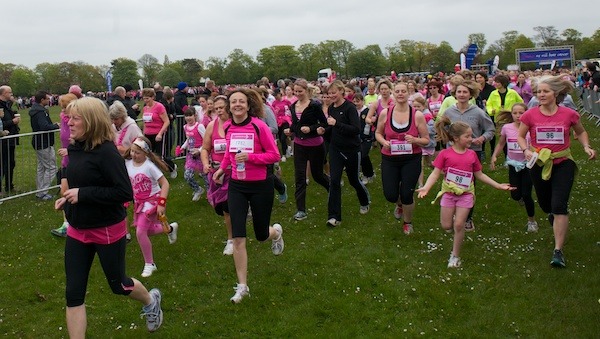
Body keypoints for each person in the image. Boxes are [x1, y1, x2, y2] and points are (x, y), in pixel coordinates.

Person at [54, 97, 163, 337]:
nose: (68, 122)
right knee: (73, 293)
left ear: (91, 121)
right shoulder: (76, 147)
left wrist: (83, 194)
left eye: (74, 118)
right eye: (68, 117)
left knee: (119, 285)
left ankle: (150, 300)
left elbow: (124, 192)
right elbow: (79, 180)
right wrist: (68, 197)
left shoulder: (107, 153)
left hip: (106, 228)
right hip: (77, 227)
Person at [212, 88, 284, 304]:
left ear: (248, 104)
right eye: (233, 102)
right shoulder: (228, 127)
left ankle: (276, 233)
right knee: (238, 237)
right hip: (237, 186)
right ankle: (242, 286)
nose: (237, 105)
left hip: (261, 185)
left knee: (261, 234)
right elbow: (228, 154)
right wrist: (222, 169)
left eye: (241, 102)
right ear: (229, 106)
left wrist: (251, 157)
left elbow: (274, 155)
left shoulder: (258, 126)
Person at [517, 75, 596, 268]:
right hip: (539, 163)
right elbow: (520, 135)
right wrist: (526, 150)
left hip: (563, 163)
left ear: (556, 93)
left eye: (545, 91)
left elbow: (581, 131)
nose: (541, 95)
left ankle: (558, 251)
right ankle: (553, 214)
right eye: (538, 92)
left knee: (559, 205)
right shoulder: (530, 115)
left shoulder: (569, 114)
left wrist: (586, 146)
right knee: (546, 206)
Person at [417, 118, 513, 268]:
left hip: (466, 194)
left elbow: (480, 175)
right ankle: (453, 223)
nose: (471, 139)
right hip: (449, 194)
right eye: (467, 136)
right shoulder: (444, 154)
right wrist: (426, 187)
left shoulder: (472, 155)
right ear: (456, 138)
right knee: (446, 225)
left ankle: (455, 256)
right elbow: (436, 173)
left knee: (459, 225)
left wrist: (498, 185)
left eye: (471, 135)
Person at [375, 82, 430, 234]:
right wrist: (383, 142)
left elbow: (426, 139)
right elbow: (378, 133)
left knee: (407, 193)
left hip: (411, 158)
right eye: (397, 91)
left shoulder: (417, 115)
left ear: (408, 94)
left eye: (403, 91)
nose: (400, 94)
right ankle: (398, 204)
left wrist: (415, 140)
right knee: (391, 194)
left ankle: (407, 222)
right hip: (390, 159)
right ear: (393, 93)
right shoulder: (385, 113)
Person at [441, 80, 496, 232]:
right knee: (451, 183)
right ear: (454, 94)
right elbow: (442, 129)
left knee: (468, 185)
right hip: (451, 154)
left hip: (472, 152)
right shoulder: (449, 112)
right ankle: (451, 213)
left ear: (471, 94)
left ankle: (467, 217)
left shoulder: (478, 112)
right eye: (459, 92)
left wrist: (482, 138)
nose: (462, 95)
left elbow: (490, 130)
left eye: (465, 92)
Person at [124, 136, 178, 277]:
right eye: (132, 151)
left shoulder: (150, 166)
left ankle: (150, 264)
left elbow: (165, 184)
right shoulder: (128, 163)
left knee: (140, 232)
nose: (134, 155)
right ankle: (170, 228)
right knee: (146, 232)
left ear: (146, 153)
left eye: (138, 153)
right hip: (139, 203)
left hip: (152, 202)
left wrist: (161, 203)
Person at [325, 80, 371, 227]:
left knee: (353, 180)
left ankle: (364, 201)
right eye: (329, 93)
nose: (331, 95)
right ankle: (334, 217)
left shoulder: (350, 108)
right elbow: (332, 128)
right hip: (335, 149)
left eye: (334, 92)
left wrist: (336, 124)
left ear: (341, 92)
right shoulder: (331, 108)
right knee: (334, 181)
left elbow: (356, 129)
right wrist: (323, 131)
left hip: (351, 149)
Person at [284, 79, 330, 221]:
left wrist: (311, 129)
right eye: (295, 91)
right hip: (299, 145)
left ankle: (332, 188)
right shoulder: (293, 106)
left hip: (315, 145)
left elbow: (323, 123)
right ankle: (301, 210)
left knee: (317, 175)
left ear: (306, 90)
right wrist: (290, 130)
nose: (297, 94)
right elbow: (296, 125)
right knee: (300, 177)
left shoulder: (314, 105)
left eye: (300, 91)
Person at [490, 103, 538, 232]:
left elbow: (536, 145)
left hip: (528, 165)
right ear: (511, 114)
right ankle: (519, 197)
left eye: (521, 113)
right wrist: (494, 156)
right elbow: (501, 143)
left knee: (527, 194)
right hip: (513, 164)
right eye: (515, 113)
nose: (518, 116)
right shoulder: (507, 128)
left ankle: (531, 221)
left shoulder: (531, 128)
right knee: (515, 195)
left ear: (526, 113)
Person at [201, 95, 234, 255]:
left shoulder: (236, 124)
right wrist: (206, 163)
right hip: (217, 174)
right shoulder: (212, 126)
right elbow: (205, 148)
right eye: (217, 108)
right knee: (222, 208)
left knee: (229, 208)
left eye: (222, 107)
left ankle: (231, 239)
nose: (219, 110)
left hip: (235, 172)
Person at [51, 93, 79, 237]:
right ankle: (66, 224)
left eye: (65, 107)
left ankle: (76, 223)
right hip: (66, 162)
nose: (62, 110)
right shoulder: (64, 119)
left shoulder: (81, 120)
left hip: (78, 161)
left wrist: (70, 150)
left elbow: (83, 142)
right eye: (61, 107)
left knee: (75, 193)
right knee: (64, 192)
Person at [29, 91, 59, 200]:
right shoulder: (40, 112)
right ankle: (43, 191)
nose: (48, 100)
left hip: (40, 141)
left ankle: (40, 190)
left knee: (41, 167)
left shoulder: (36, 110)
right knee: (52, 167)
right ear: (42, 100)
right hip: (43, 143)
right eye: (47, 99)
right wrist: (55, 126)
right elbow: (44, 126)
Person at [141, 88, 177, 177]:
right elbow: (145, 122)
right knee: (149, 155)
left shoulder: (159, 107)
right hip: (148, 135)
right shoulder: (145, 108)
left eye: (147, 98)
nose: (145, 101)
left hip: (158, 134)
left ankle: (171, 168)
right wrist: (143, 134)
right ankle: (154, 174)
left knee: (161, 156)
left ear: (153, 97)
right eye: (144, 98)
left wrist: (160, 133)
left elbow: (166, 121)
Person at [177, 107, 207, 201]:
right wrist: (182, 147)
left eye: (190, 115)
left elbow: (207, 141)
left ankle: (211, 194)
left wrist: (199, 150)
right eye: (186, 116)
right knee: (187, 175)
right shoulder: (185, 127)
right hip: (191, 155)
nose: (188, 118)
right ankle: (198, 189)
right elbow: (188, 139)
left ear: (195, 115)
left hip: (201, 155)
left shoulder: (200, 126)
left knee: (206, 177)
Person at [0, 86, 21, 195]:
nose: (11, 94)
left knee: (11, 163)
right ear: (3, 93)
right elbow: (1, 124)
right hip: (3, 139)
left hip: (11, 138)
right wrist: (12, 122)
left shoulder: (7, 105)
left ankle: (9, 185)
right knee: (3, 164)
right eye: (10, 92)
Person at [353, 93, 375, 184]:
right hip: (356, 137)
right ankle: (370, 173)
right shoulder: (353, 111)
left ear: (362, 101)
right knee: (361, 157)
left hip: (366, 137)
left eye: (358, 101)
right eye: (354, 102)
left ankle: (367, 175)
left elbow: (371, 121)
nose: (356, 103)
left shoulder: (366, 110)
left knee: (363, 155)